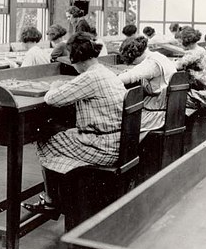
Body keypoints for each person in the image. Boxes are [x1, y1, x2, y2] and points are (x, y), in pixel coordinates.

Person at [23, 32, 127, 216]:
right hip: (119, 142)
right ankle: (59, 195)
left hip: (104, 148)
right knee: (63, 132)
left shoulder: (89, 77)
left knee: (44, 140)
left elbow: (52, 99)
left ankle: (52, 200)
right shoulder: (105, 72)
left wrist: (54, 87)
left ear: (77, 58)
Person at [118, 35, 177, 135]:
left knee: (121, 124)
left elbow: (130, 76)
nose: (133, 64)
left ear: (133, 55)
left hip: (157, 114)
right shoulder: (158, 56)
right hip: (169, 108)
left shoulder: (151, 63)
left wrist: (110, 78)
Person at [175, 27, 206, 111]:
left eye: (180, 41)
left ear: (186, 41)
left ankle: (182, 119)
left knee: (172, 98)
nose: (179, 44)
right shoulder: (200, 49)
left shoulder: (193, 53)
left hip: (204, 96)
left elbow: (177, 66)